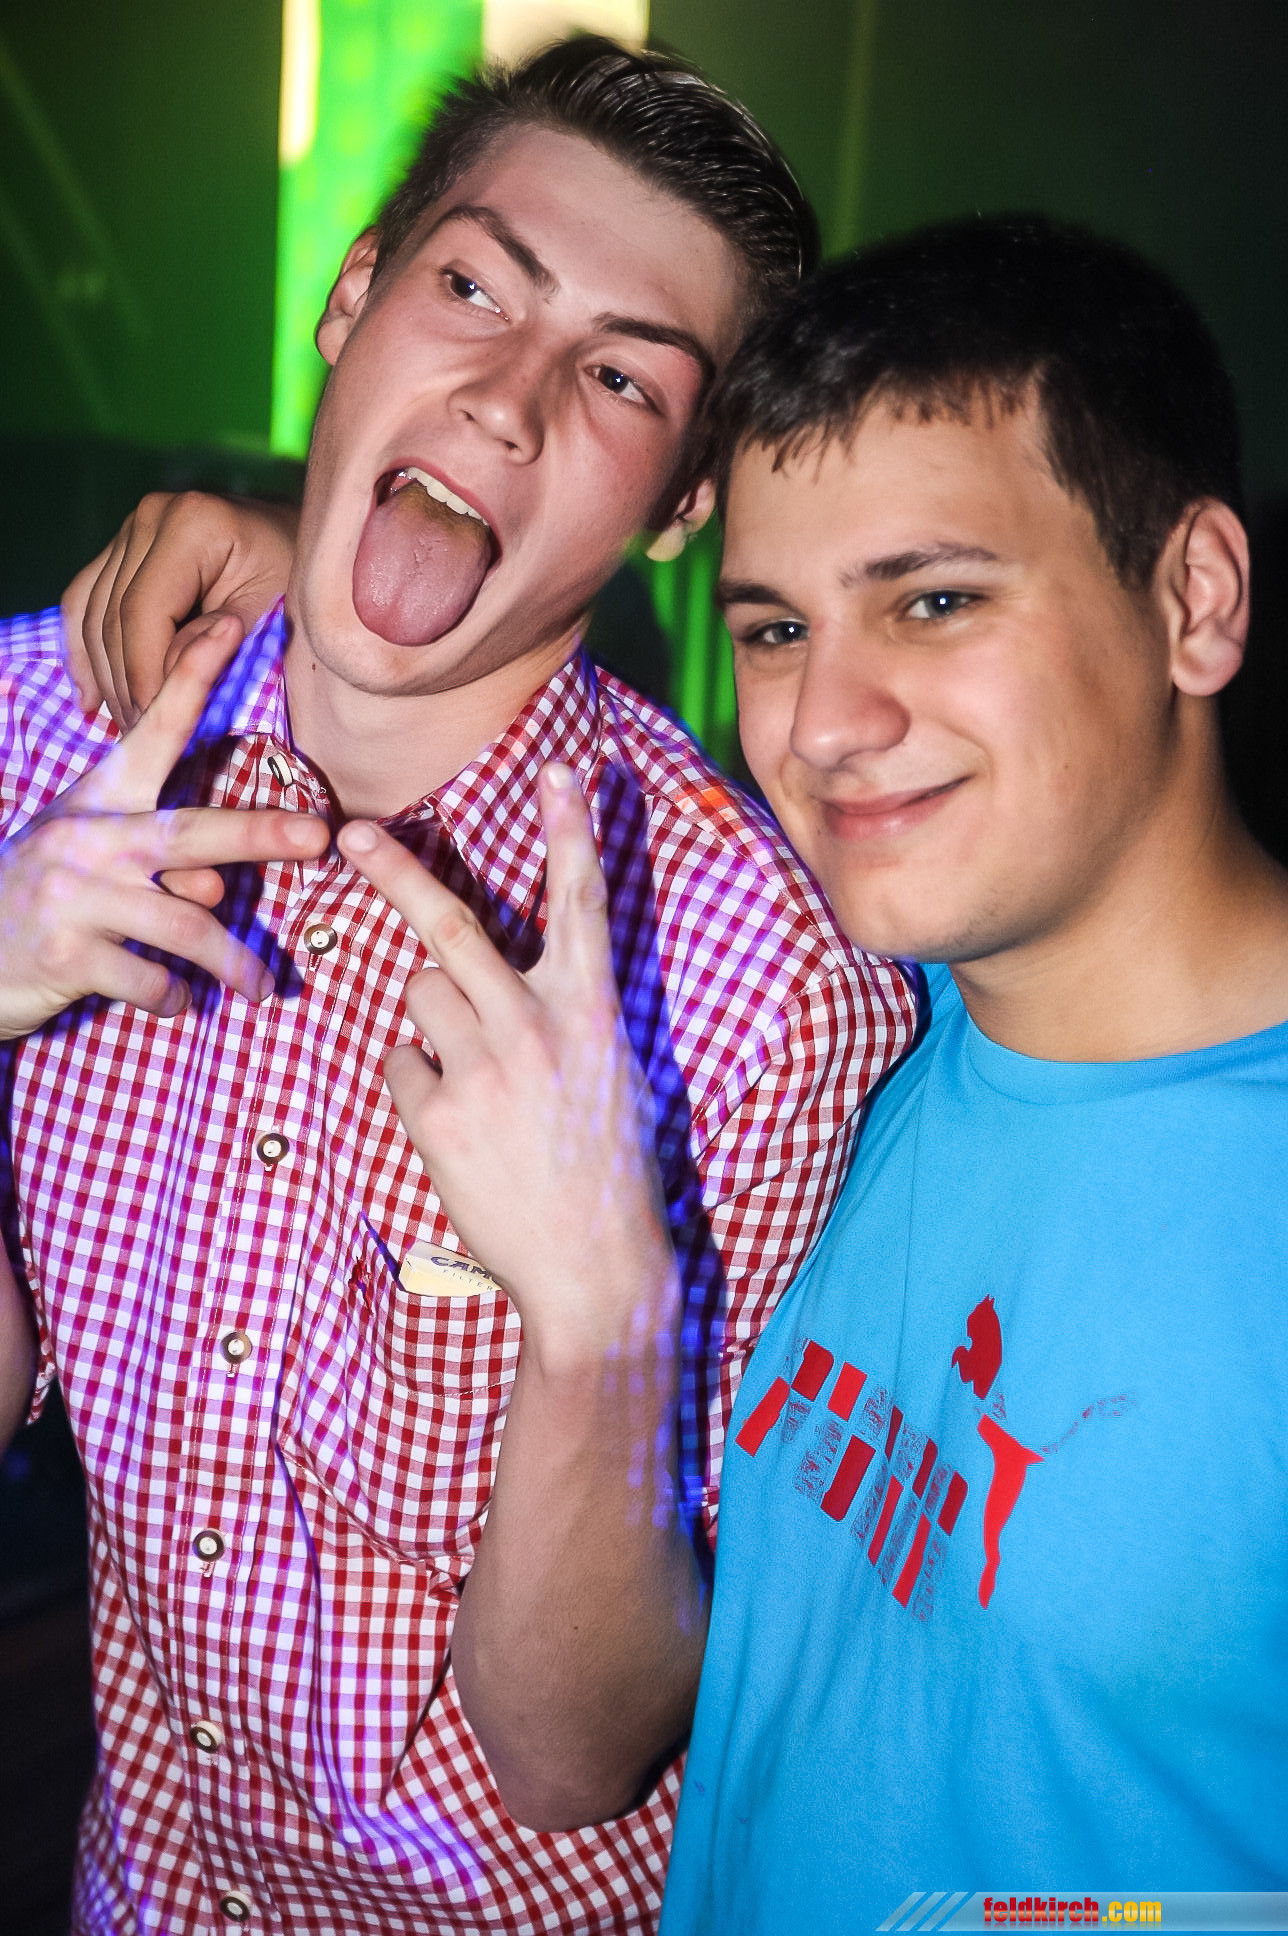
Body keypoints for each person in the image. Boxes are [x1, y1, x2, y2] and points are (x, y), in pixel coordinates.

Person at [164, 214, 1284, 1925]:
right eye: (774, 630)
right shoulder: (892, 1042)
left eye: (933, 601)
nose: (824, 723)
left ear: (1193, 597)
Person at [0, 38, 915, 1935]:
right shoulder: (43, 740)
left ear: (682, 504)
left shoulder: (754, 987)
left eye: (621, 377)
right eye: (475, 286)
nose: (506, 398)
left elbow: (575, 1755)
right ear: (353, 302)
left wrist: (599, 1311)